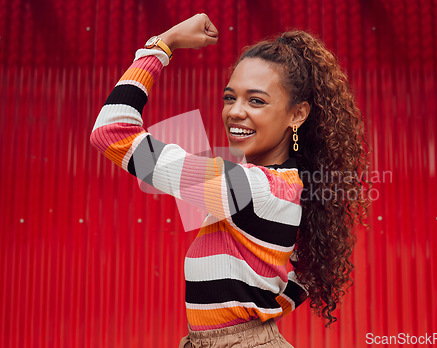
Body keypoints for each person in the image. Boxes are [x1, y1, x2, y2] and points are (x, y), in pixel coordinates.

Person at [90, 13, 370, 348]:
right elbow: (304, 275)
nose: (235, 111)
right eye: (229, 97)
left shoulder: (248, 188)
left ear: (297, 114)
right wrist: (252, 324)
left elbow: (111, 132)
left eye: (256, 100)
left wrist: (162, 44)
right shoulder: (286, 185)